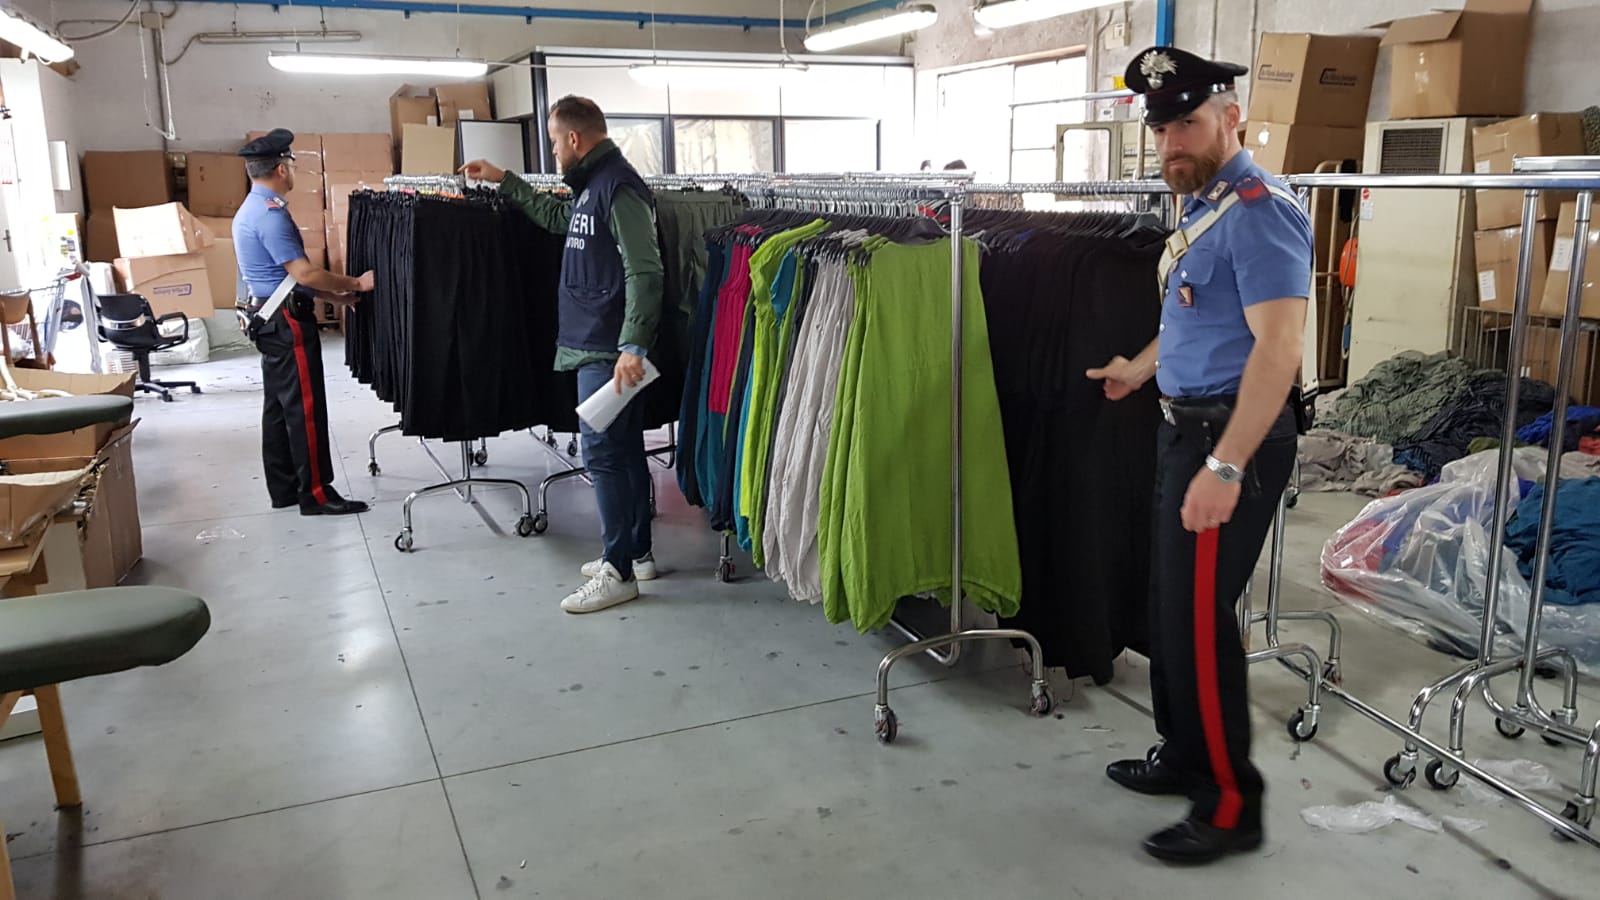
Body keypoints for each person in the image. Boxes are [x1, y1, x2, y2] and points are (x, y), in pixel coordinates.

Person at [1086, 47, 1311, 865]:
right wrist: (1140, 369)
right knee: (1170, 611)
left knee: (1199, 624)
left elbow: (1278, 349)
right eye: (1160, 128)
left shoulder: (1258, 211)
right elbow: (1199, 317)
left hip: (1229, 440)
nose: (1170, 141)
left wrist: (1226, 467)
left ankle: (1229, 805)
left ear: (1231, 117)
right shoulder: (1204, 203)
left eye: (1186, 121)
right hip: (1187, 431)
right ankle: (1184, 753)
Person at [460, 95, 665, 614]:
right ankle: (635, 553)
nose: (553, 151)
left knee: (604, 454)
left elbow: (646, 270)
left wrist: (632, 344)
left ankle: (618, 571)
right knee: (622, 450)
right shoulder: (593, 187)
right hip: (596, 341)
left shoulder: (618, 188)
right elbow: (558, 218)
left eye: (554, 141)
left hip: (607, 347)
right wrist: (505, 180)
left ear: (574, 138)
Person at [232, 128, 374, 516]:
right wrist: (355, 283)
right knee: (304, 408)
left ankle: (284, 489)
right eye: (292, 164)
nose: (294, 171)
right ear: (281, 168)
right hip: (286, 322)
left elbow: (284, 278)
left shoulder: (250, 209)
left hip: (267, 314)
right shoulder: (271, 216)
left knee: (279, 407)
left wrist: (334, 297)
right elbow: (304, 273)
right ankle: (316, 493)